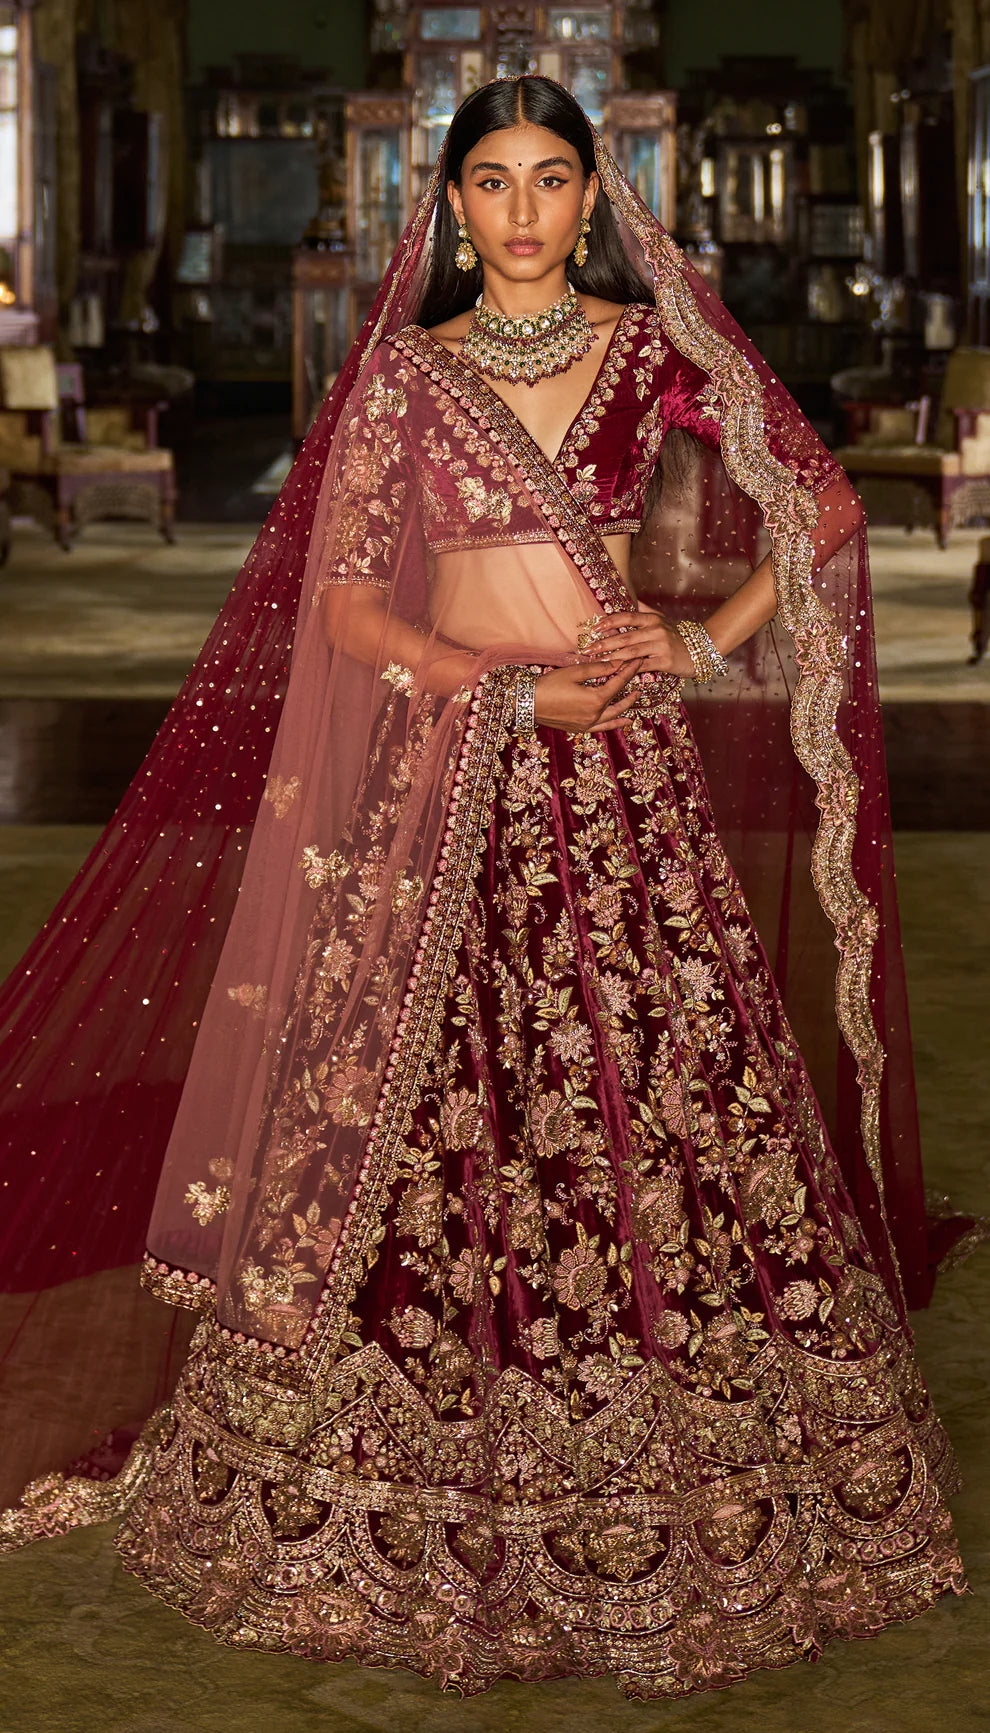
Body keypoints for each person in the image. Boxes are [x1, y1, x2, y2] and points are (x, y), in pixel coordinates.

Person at [0, 78, 968, 1701]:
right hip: (448, 778)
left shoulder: (656, 352)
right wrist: (505, 691)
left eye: (552, 180)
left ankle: (686, 1429)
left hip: (627, 787)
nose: (523, 212)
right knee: (416, 1088)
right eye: (494, 183)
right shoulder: (404, 376)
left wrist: (697, 637)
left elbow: (821, 503)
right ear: (448, 205)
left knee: (660, 1088)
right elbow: (348, 611)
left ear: (597, 193)